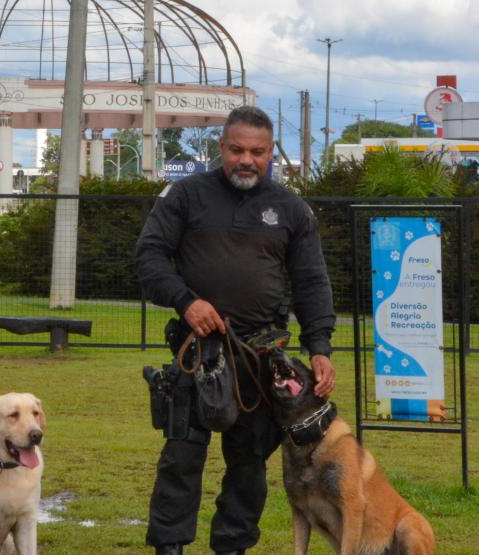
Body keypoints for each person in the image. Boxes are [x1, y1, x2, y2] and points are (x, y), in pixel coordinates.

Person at [135, 105, 336, 555]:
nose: (247, 160)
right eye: (238, 149)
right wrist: (187, 302)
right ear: (221, 147)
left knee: (249, 465)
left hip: (261, 357)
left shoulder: (291, 209)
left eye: (258, 152)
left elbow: (311, 283)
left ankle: (232, 547)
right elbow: (148, 259)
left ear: (271, 155)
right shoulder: (185, 195)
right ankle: (169, 547)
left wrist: (319, 346)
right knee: (181, 459)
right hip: (197, 351)